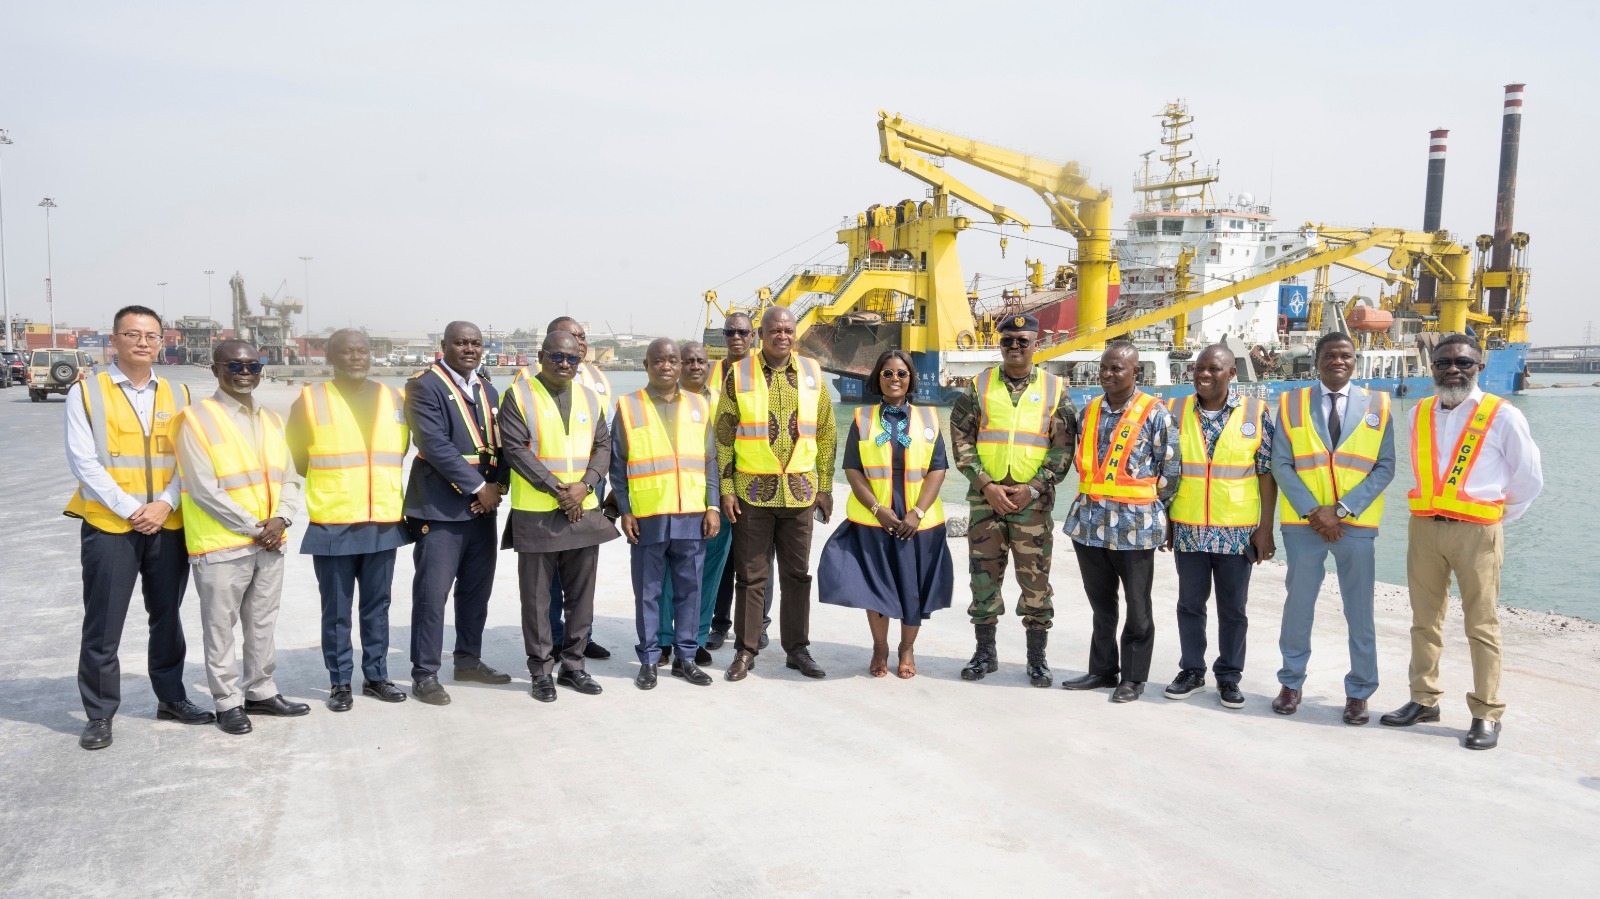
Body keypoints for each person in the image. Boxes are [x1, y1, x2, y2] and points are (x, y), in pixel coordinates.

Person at [1380, 334, 1543, 750]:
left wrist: (1493, 517)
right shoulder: (1420, 412)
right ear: (1432, 368)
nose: (1453, 369)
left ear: (1479, 368)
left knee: (1481, 624)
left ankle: (1486, 712)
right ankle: (1424, 699)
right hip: (1424, 528)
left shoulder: (1502, 415)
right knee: (1424, 620)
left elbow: (1529, 478)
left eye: (1463, 363)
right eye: (1443, 363)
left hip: (1477, 533)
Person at [66, 305, 213, 750]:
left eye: (151, 335)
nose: (142, 342)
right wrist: (133, 510)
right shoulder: (87, 392)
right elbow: (83, 461)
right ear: (114, 340)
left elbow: (190, 457)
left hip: (167, 523)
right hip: (111, 525)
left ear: (162, 342)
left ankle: (171, 698)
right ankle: (99, 714)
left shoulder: (178, 393)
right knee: (104, 622)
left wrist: (166, 502)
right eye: (132, 334)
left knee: (167, 617)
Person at [172, 340, 308, 735]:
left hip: (270, 541)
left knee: (262, 622)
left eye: (253, 365)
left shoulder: (271, 420)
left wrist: (282, 518)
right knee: (221, 627)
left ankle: (261, 691)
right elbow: (203, 489)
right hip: (222, 545)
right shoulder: (195, 420)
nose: (245, 372)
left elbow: (289, 477)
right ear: (215, 369)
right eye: (234, 365)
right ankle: (227, 701)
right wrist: (257, 528)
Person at [1270, 331, 1396, 725]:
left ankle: (1359, 692)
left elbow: (1385, 467)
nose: (1338, 361)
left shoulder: (1379, 404)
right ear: (1317, 360)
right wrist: (1314, 512)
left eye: (1346, 355)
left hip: (1355, 525)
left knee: (1360, 612)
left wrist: (1341, 510)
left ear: (1355, 361)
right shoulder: (1291, 403)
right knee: (1298, 607)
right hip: (1304, 524)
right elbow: (1280, 463)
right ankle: (1291, 683)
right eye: (1330, 355)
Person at [286, 329, 411, 712]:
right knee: (337, 611)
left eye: (362, 351)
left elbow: (401, 448)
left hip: (382, 522)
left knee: (378, 608)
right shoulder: (310, 401)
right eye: (346, 352)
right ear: (330, 357)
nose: (356, 357)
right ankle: (340, 682)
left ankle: (376, 677)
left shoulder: (395, 398)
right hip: (334, 523)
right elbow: (298, 458)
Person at [949, 313, 1077, 687]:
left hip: (1032, 505)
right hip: (985, 502)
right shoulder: (979, 386)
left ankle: (1036, 660)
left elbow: (1063, 449)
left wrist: (1033, 488)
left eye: (1023, 340)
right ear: (1000, 344)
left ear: (1036, 344)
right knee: (983, 580)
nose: (1015, 346)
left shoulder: (1055, 389)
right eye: (1008, 340)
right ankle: (985, 654)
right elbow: (960, 438)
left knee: (1036, 583)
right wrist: (986, 484)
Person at [715, 306, 837, 681]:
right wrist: (726, 488)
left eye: (788, 330)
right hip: (753, 493)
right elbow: (723, 435)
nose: (782, 336)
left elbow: (827, 432)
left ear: (795, 334)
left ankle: (797, 650)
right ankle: (745, 651)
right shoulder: (739, 374)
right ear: (761, 334)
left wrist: (826, 486)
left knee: (797, 576)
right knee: (751, 577)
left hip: (800, 493)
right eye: (775, 330)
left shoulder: (813, 373)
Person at [500, 330, 619, 701]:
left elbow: (603, 446)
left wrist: (586, 485)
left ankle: (573, 666)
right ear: (541, 356)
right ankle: (541, 671)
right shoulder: (518, 395)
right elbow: (515, 451)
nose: (565, 363)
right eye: (557, 356)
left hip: (583, 511)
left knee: (581, 597)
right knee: (537, 600)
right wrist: (560, 491)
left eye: (572, 358)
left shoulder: (590, 397)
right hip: (537, 514)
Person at [819, 350, 953, 677]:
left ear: (911, 379)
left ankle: (907, 648)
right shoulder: (862, 419)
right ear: (877, 378)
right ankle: (880, 647)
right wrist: (877, 509)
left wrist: (917, 512)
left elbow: (938, 469)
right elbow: (852, 469)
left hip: (918, 520)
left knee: (913, 586)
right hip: (875, 518)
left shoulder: (929, 419)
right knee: (876, 587)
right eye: (888, 373)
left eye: (902, 373)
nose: (895, 379)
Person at [1061, 342, 1180, 703]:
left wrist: (1158, 515)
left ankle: (1133, 678)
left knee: (1137, 608)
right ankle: (1102, 670)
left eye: (1117, 368)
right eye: (1104, 368)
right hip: (1089, 523)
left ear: (1135, 373)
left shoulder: (1156, 413)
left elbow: (1171, 471)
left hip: (1135, 527)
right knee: (1102, 606)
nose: (1108, 374)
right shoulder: (1089, 411)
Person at [1159, 345, 1276, 709]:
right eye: (1199, 368)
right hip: (1188, 526)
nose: (1204, 374)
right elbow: (1165, 469)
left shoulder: (1255, 412)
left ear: (1231, 373)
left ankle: (1229, 676)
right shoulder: (1174, 410)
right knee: (1189, 605)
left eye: (1214, 368)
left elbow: (1266, 472)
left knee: (1233, 609)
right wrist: (1165, 519)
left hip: (1237, 531)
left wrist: (1266, 528)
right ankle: (1192, 671)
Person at [404, 321, 512, 706]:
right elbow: (433, 444)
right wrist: (479, 487)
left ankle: (467, 660)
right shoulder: (424, 386)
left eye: (476, 343)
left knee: (475, 591)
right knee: (432, 595)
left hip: (484, 509)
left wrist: (498, 487)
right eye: (461, 342)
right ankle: (425, 673)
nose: (469, 349)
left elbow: (503, 446)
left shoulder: (488, 388)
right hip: (441, 508)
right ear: (444, 345)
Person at [610, 338, 718, 690]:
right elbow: (617, 466)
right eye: (658, 360)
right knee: (649, 591)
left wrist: (713, 506)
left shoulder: (700, 405)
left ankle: (686, 657)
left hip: (691, 514)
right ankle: (649, 659)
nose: (666, 366)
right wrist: (625, 510)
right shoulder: (629, 407)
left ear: (681, 365)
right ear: (646, 365)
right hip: (648, 515)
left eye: (673, 359)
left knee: (690, 590)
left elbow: (710, 461)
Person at [536, 315, 613, 661]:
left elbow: (603, 437)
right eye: (572, 336)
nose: (579, 342)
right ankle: (553, 638)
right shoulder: (530, 381)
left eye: (582, 337)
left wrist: (589, 484)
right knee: (552, 575)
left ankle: (581, 637)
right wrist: (566, 492)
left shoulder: (597, 380)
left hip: (589, 487)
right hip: (549, 493)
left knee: (582, 572)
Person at [651, 340, 729, 666]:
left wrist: (721, 500)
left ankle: (695, 638)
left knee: (707, 576)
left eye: (701, 361)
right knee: (668, 575)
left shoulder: (724, 401)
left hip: (717, 502)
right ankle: (663, 639)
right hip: (672, 502)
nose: (696, 366)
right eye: (689, 360)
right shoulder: (662, 400)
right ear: (678, 365)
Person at [706, 312, 761, 651]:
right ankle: (719, 623)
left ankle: (759, 624)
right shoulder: (709, 373)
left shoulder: (763, 373)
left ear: (753, 336)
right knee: (722, 559)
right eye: (730, 332)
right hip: (719, 475)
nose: (736, 337)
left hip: (756, 477)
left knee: (758, 559)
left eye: (742, 332)